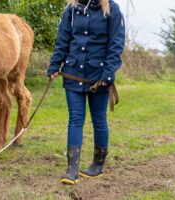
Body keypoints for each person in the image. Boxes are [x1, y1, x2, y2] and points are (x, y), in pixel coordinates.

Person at [47, 0, 125, 185]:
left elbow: (116, 44)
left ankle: (98, 165)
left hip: (98, 77)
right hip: (73, 73)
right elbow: (63, 40)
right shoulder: (72, 9)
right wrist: (54, 65)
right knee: (75, 118)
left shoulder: (112, 8)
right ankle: (72, 169)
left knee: (99, 120)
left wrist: (107, 74)